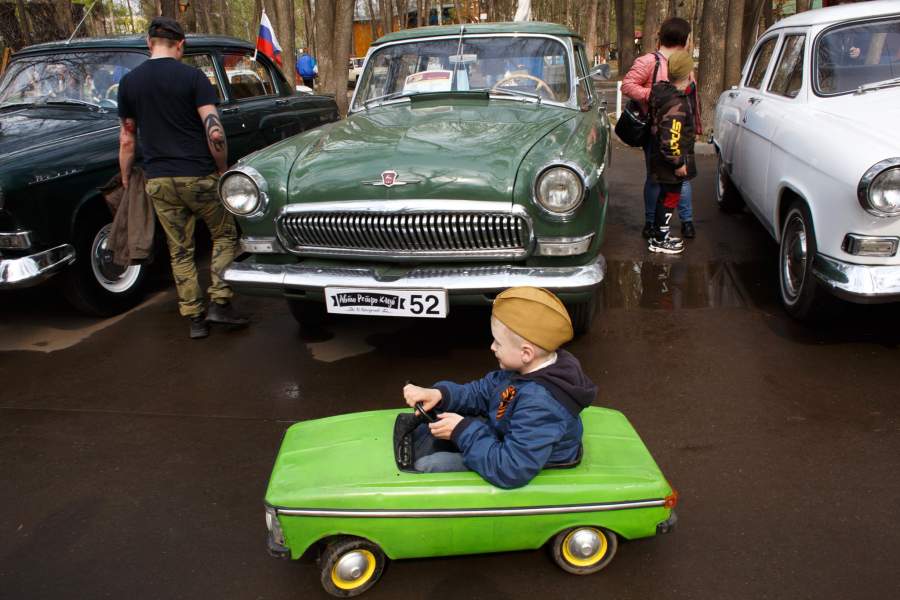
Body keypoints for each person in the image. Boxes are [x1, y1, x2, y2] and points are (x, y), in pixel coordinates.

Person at [117, 17, 248, 339]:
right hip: (199, 175)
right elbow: (213, 129)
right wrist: (221, 167)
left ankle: (195, 319)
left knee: (180, 250)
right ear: (181, 45)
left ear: (149, 43)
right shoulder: (193, 78)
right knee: (225, 235)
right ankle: (220, 300)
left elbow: (126, 139)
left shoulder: (129, 83)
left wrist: (124, 176)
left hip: (159, 180)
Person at [402, 287, 597, 489]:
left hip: (516, 464)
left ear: (526, 353)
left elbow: (511, 469)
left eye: (498, 343)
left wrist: (462, 431)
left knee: (429, 466)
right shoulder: (523, 372)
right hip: (506, 442)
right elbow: (482, 392)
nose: (492, 347)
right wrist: (440, 394)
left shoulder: (541, 404)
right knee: (431, 425)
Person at [621, 17, 701, 240]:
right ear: (684, 39)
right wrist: (655, 96)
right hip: (654, 131)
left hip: (678, 130)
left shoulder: (683, 62)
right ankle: (652, 223)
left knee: (680, 178)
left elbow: (691, 96)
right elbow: (627, 85)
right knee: (660, 177)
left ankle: (686, 222)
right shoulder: (649, 61)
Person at [647, 50, 697, 255]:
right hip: (670, 163)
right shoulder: (678, 105)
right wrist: (679, 164)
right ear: (688, 73)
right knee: (669, 198)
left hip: (658, 157)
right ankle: (660, 238)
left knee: (663, 196)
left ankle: (658, 232)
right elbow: (671, 141)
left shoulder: (660, 90)